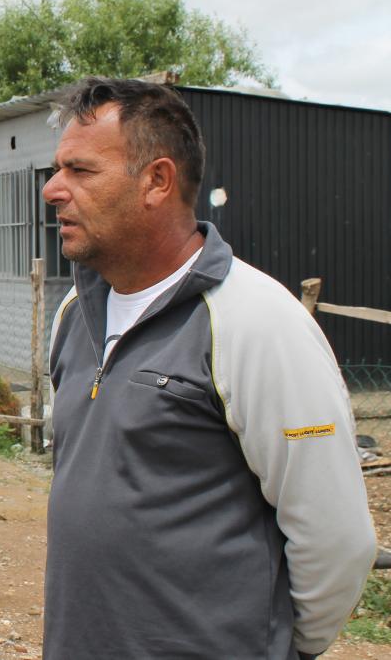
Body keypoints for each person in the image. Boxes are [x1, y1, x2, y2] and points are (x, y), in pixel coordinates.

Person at [41, 77, 376, 659]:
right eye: (57, 169)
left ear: (158, 181)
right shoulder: (76, 310)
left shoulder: (255, 320)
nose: (53, 190)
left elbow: (337, 538)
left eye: (81, 171)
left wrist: (276, 646)